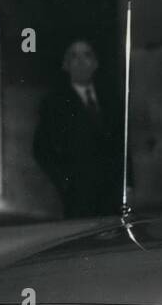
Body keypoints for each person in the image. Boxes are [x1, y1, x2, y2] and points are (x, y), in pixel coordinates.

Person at [33, 37, 123, 218]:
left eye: (87, 55)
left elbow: (122, 143)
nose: (81, 62)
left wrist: (128, 184)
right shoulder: (54, 103)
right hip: (78, 195)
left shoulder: (111, 99)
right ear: (66, 65)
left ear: (96, 63)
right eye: (74, 56)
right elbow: (40, 149)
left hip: (110, 192)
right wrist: (65, 181)